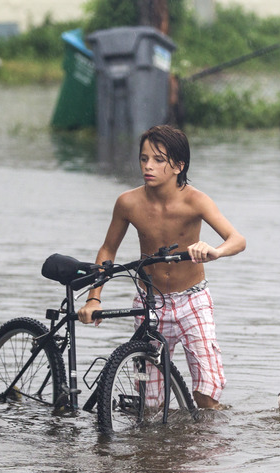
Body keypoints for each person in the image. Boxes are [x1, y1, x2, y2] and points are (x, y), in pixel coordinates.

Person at [77, 125, 246, 410]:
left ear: (179, 166)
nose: (148, 166)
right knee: (151, 405)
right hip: (149, 302)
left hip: (193, 301)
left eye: (158, 160)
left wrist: (213, 251)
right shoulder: (128, 202)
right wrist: (94, 297)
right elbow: (108, 250)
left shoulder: (196, 201)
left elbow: (237, 240)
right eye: (144, 159)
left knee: (206, 396)